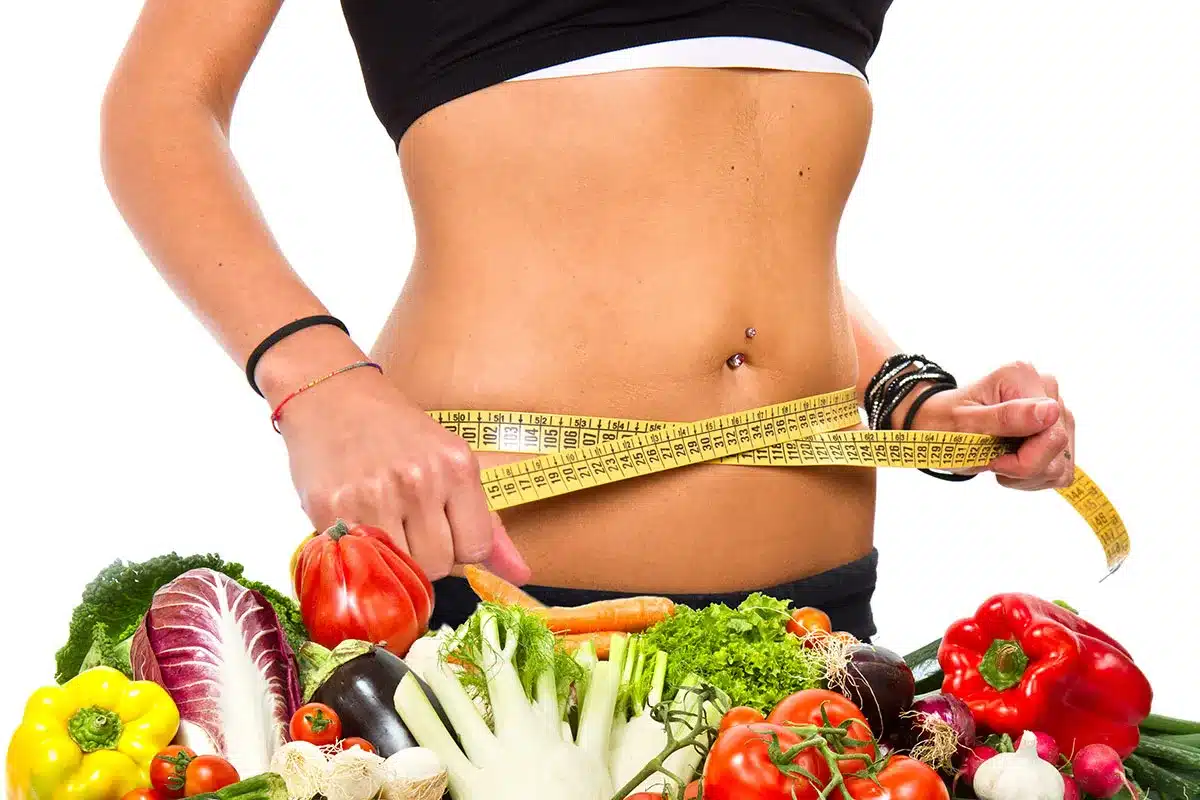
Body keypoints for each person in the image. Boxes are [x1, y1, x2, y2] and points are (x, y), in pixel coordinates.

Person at [100, 1, 1074, 639]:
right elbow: (160, 104)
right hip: (496, 604)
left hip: (817, 620)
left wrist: (908, 393)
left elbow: (719, 209)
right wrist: (316, 379)